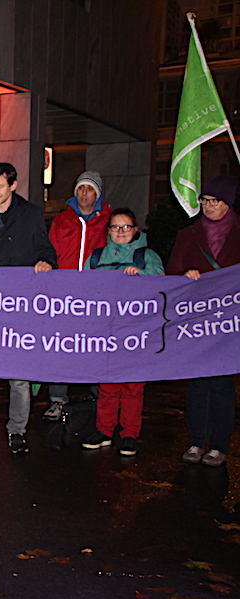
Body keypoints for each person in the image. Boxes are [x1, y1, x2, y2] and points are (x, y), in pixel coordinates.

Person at [0, 162, 57, 455]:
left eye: (0, 186)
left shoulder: (30, 214)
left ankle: (17, 430)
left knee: (19, 374)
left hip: (20, 304)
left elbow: (46, 250)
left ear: (13, 185)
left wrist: (46, 263)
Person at [167, 175, 240, 467]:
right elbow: (172, 272)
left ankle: (219, 445)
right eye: (204, 201)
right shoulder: (189, 235)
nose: (208, 207)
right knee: (197, 384)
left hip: (228, 326)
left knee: (221, 385)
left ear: (228, 204)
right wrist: (185, 277)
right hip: (197, 322)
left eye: (214, 202)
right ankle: (196, 441)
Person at [82, 208, 163, 456]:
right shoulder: (95, 258)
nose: (120, 232)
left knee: (132, 386)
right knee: (106, 384)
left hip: (136, 332)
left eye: (126, 227)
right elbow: (82, 291)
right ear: (108, 231)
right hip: (105, 331)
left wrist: (142, 276)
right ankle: (104, 430)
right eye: (115, 227)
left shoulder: (147, 257)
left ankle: (129, 433)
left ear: (135, 230)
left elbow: (162, 286)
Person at [43, 170, 112, 420]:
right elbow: (50, 250)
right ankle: (58, 398)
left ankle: (97, 396)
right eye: (81, 188)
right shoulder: (63, 220)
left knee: (95, 347)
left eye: (90, 189)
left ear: (98, 193)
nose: (84, 193)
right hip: (65, 294)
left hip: (96, 295)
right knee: (61, 347)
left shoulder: (109, 219)